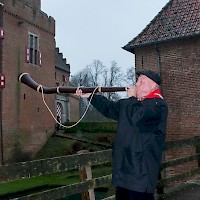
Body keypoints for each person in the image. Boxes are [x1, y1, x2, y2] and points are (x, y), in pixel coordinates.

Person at [75, 70, 168, 200]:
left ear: (153, 86)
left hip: (140, 174)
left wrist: (131, 98)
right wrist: (91, 95)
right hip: (123, 171)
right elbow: (109, 108)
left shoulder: (158, 106)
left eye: (142, 82)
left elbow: (138, 118)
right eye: (137, 81)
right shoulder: (131, 104)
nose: (137, 84)